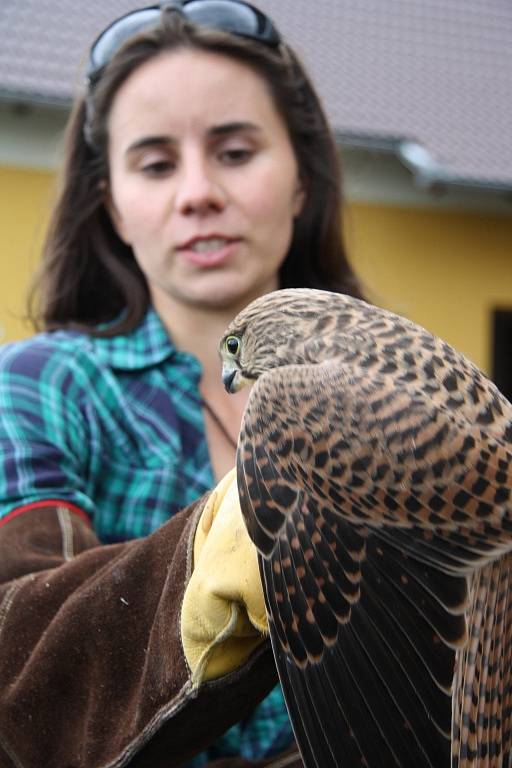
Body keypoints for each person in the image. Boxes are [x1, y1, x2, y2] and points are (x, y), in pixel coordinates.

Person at [0, 2, 363, 766]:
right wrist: (223, 545)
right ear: (114, 208)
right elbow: (18, 654)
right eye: (157, 164)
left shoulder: (382, 400)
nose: (197, 192)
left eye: (234, 152)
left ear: (301, 178)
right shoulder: (41, 387)